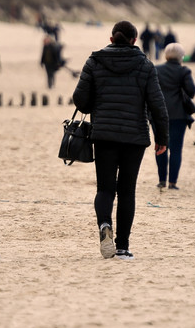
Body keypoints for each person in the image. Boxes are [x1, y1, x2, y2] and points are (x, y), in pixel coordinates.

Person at [72, 21, 168, 261]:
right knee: (127, 191)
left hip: (104, 134)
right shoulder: (145, 65)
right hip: (134, 137)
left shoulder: (94, 61)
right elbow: (157, 104)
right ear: (134, 40)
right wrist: (162, 137)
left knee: (105, 188)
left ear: (112, 38)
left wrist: (98, 98)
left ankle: (105, 225)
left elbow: (80, 101)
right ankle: (123, 247)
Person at [154, 43, 195, 191]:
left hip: (159, 114)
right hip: (178, 114)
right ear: (181, 57)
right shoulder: (183, 71)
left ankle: (161, 180)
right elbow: (191, 92)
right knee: (176, 149)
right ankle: (172, 183)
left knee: (160, 146)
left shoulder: (157, 70)